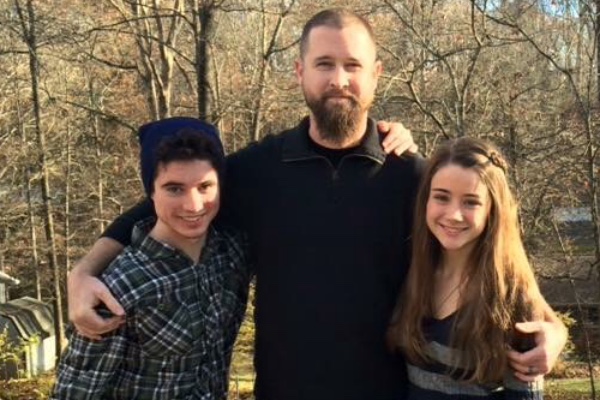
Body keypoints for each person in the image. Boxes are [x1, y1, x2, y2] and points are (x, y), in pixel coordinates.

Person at [67, 9, 566, 400]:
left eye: (352, 66)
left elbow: (496, 253)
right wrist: (82, 274)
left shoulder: (413, 176)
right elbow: (160, 206)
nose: (339, 80)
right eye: (324, 64)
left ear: (376, 74)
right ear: (300, 71)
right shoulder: (256, 171)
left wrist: (552, 328)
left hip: (389, 394)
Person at [52, 121, 251, 399]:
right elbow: (75, 393)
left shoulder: (231, 256)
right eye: (174, 189)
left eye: (205, 186)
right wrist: (81, 272)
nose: (193, 205)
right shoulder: (120, 286)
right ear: (151, 192)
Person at [388, 137, 548, 399]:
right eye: (442, 197)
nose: (454, 214)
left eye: (471, 202)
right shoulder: (412, 274)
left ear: (492, 210)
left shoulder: (510, 297)